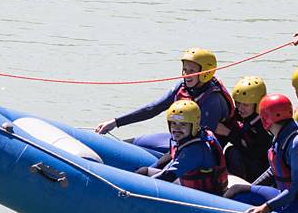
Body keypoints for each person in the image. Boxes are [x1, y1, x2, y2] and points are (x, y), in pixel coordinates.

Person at [95, 47, 235, 155]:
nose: (186, 74)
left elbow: (197, 141)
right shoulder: (183, 87)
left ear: (205, 72)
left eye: (192, 70)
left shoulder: (213, 100)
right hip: (178, 139)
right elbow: (153, 108)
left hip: (200, 151)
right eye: (184, 69)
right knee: (127, 145)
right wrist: (116, 122)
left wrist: (161, 164)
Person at [135, 100, 228, 195]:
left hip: (201, 195)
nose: (177, 128)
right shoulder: (197, 137)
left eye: (183, 124)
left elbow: (167, 176)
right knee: (145, 170)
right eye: (173, 123)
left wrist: (137, 187)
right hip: (192, 186)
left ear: (194, 125)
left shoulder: (194, 150)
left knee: (144, 173)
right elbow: (171, 164)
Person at [215, 75, 272, 182]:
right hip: (245, 162)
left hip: (257, 169)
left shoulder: (264, 125)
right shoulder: (237, 115)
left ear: (257, 104)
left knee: (232, 152)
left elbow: (255, 154)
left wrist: (228, 133)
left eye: (245, 105)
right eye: (238, 103)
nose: (240, 108)